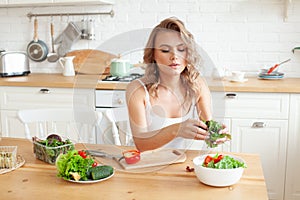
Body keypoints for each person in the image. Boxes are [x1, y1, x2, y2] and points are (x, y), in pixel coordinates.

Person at [126, 17, 215, 152]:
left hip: (180, 162)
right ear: (153, 55)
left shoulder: (197, 85)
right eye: (165, 50)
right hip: (145, 163)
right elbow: (141, 144)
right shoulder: (138, 90)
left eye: (181, 49)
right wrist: (177, 130)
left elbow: (208, 128)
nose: (174, 56)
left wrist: (216, 134)